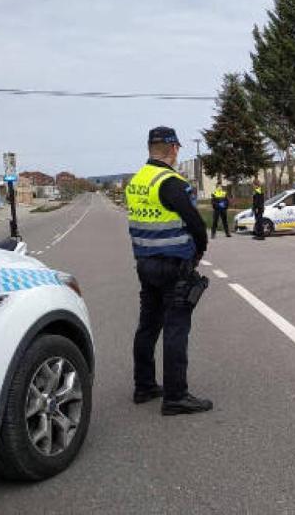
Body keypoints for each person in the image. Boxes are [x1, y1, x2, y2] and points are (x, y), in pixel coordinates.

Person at [125, 126, 213, 415]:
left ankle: (145, 386)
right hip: (174, 266)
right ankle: (176, 396)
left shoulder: (136, 181)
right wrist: (200, 250)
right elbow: (195, 224)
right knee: (176, 328)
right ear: (173, 149)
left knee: (148, 326)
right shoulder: (171, 182)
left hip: (145, 264)